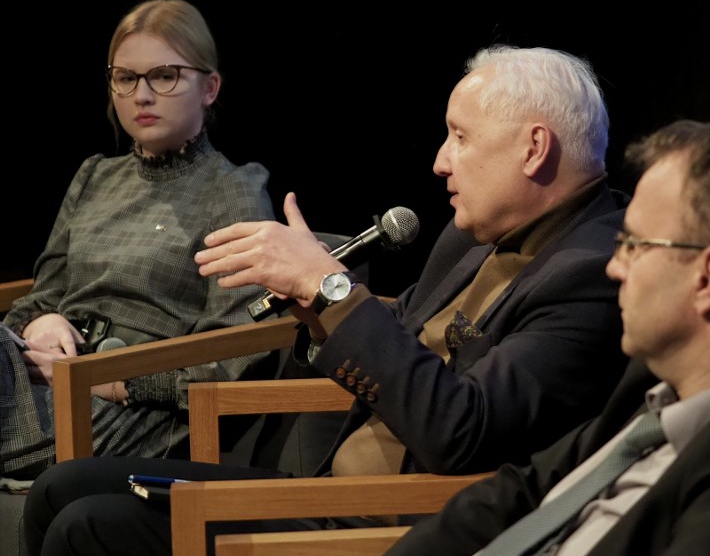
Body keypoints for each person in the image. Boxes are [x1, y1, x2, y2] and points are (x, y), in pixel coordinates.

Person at [23, 44, 632, 554]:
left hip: (388, 522)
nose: (441, 161)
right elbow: (405, 329)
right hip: (329, 487)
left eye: (459, 137)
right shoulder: (477, 231)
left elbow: (459, 431)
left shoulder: (592, 274)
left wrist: (332, 288)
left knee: (91, 527)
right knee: (63, 486)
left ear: (533, 148)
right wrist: (312, 304)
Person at [383, 113, 710, 555]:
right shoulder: (651, 392)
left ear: (707, 278)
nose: (613, 265)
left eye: (634, 245)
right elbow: (518, 494)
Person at [0, 0, 277, 481]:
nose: (141, 95)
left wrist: (110, 379)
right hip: (42, 378)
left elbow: (236, 356)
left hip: (132, 414)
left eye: (164, 75)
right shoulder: (94, 176)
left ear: (209, 88)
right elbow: (38, 298)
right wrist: (43, 319)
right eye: (126, 78)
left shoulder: (233, 191)